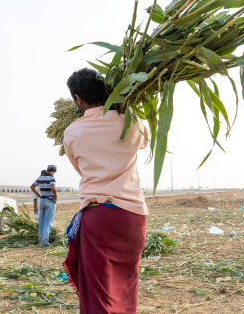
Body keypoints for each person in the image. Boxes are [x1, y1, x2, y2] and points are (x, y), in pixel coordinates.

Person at [62, 68, 149, 313]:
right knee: (126, 285)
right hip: (133, 216)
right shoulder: (131, 122)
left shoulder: (72, 132)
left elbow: (82, 170)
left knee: (100, 293)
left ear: (77, 99)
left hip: (99, 216)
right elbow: (145, 141)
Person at [30, 165, 58, 247]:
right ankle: (45, 242)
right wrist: (55, 195)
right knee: (48, 222)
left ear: (47, 170)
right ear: (54, 171)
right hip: (49, 200)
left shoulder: (40, 178)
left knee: (41, 222)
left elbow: (32, 186)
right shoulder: (52, 178)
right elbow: (53, 187)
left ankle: (40, 241)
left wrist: (39, 195)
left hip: (42, 200)